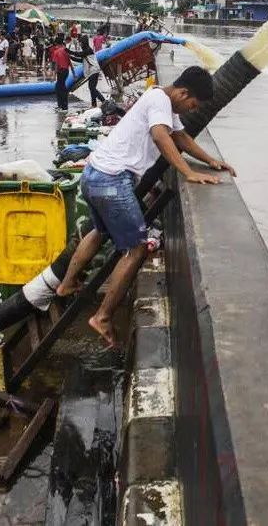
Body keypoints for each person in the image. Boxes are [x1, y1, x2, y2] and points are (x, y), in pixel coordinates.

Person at [56, 66, 235, 345]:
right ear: (183, 93)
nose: (191, 110)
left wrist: (211, 160)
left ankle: (67, 284)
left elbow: (181, 137)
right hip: (112, 180)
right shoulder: (159, 101)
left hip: (93, 174)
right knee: (137, 249)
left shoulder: (159, 99)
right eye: (193, 105)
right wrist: (188, 172)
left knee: (100, 231)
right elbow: (161, 136)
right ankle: (102, 317)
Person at [77, 34, 103, 108]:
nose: (80, 44)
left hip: (94, 70)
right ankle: (94, 104)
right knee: (92, 88)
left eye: (81, 42)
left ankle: (103, 101)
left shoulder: (88, 50)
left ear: (84, 42)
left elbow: (78, 54)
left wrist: (68, 51)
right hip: (93, 71)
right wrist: (70, 57)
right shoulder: (86, 50)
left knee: (92, 88)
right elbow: (80, 60)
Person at [49, 35, 71, 111]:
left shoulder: (56, 51)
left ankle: (62, 106)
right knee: (61, 87)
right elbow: (69, 62)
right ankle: (63, 106)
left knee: (59, 89)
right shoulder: (66, 50)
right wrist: (74, 73)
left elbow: (56, 65)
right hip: (66, 71)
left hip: (60, 71)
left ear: (56, 43)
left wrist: (53, 75)